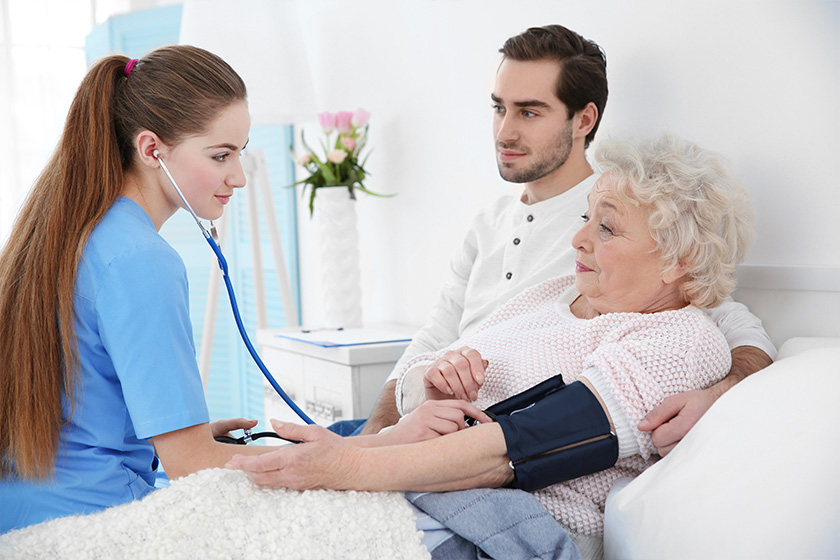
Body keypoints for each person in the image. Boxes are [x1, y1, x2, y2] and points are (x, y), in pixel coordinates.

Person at [229, 133, 756, 559]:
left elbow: (517, 449)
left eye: (608, 228)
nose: (579, 239)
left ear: (677, 260)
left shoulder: (677, 341)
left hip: (496, 522)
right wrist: (434, 385)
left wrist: (346, 465)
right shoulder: (555, 295)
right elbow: (440, 373)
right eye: (586, 219)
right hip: (418, 475)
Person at [354, 25, 774, 454]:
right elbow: (436, 334)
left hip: (504, 443)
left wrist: (718, 397)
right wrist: (379, 426)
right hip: (431, 421)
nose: (504, 133)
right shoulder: (489, 223)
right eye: (499, 109)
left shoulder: (629, 223)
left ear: (584, 120)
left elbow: (723, 321)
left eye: (529, 112)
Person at [0, 45, 276, 534]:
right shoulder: (142, 260)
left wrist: (165, 434)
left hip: (25, 512)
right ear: (152, 150)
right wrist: (352, 455)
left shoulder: (71, 233)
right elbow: (191, 467)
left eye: (241, 152)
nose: (238, 177)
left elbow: (77, 404)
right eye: (220, 155)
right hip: (97, 521)